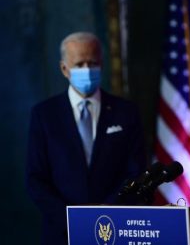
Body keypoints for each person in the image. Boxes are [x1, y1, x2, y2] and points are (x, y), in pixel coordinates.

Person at [26, 32, 147, 245]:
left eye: (92, 63)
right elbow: (36, 178)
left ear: (102, 64)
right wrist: (72, 220)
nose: (87, 70)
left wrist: (109, 211)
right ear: (64, 69)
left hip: (116, 228)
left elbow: (135, 170)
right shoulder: (44, 115)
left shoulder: (126, 112)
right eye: (79, 64)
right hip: (62, 234)